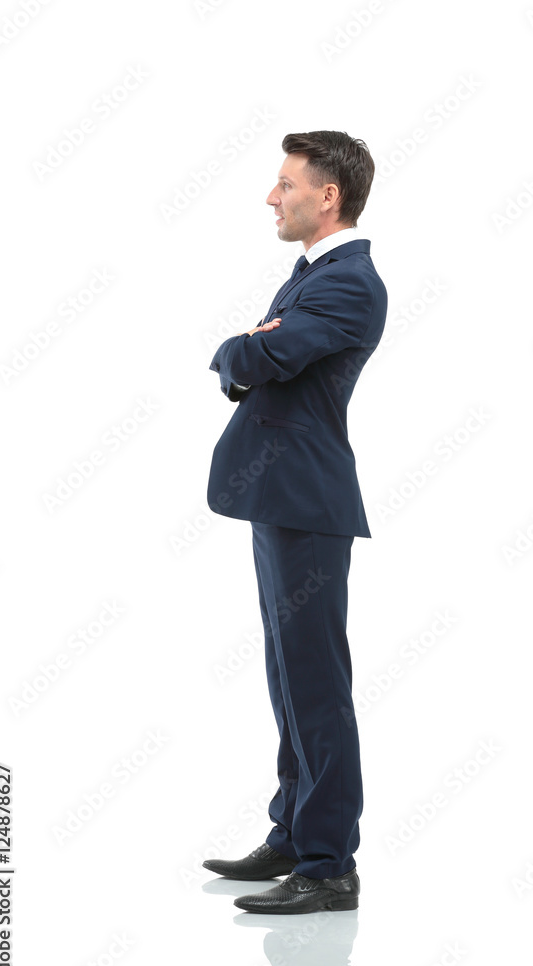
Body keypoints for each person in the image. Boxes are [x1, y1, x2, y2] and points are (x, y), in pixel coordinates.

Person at [205, 130, 388, 914]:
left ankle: (329, 861)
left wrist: (241, 346)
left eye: (286, 184)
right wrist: (251, 350)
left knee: (315, 682)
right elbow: (261, 359)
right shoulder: (312, 275)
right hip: (280, 498)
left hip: (308, 502)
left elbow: (257, 361)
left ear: (329, 196)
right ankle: (292, 832)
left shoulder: (347, 283)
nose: (272, 197)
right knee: (287, 675)